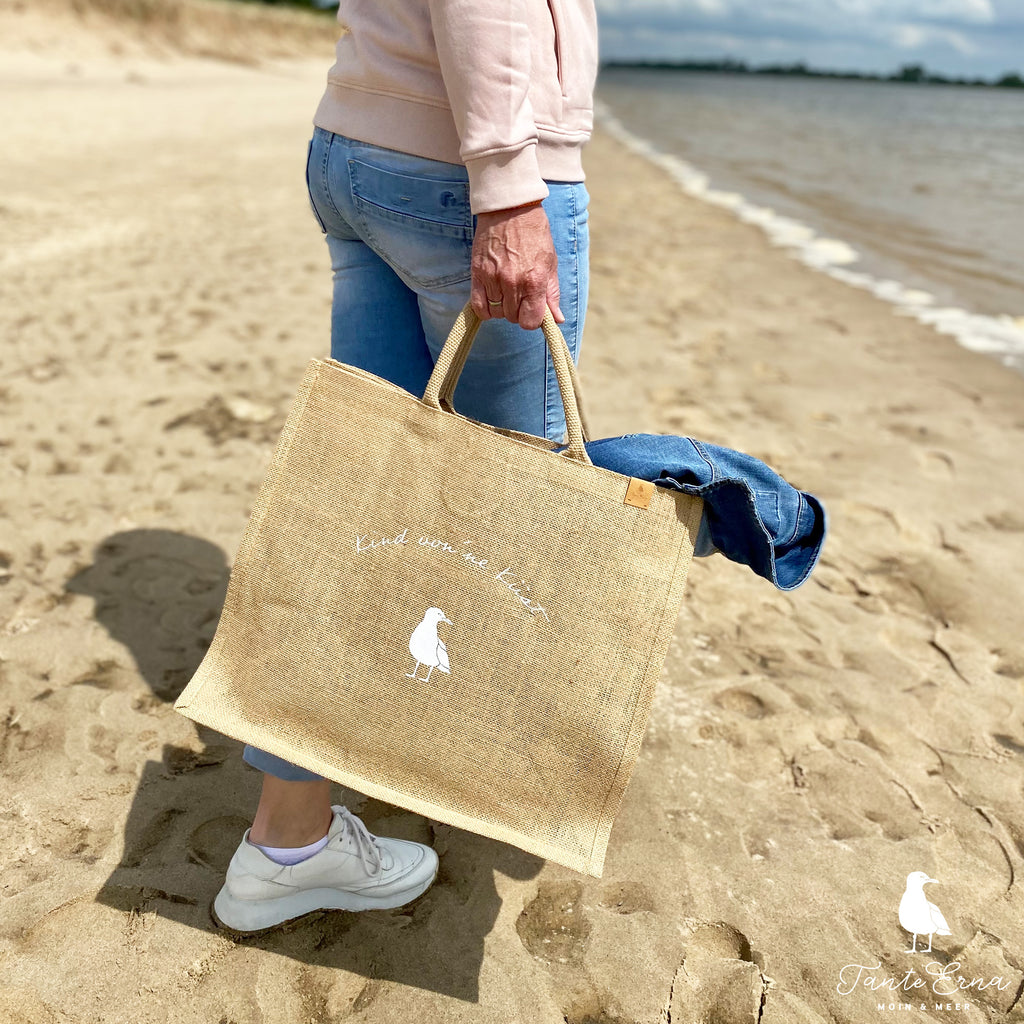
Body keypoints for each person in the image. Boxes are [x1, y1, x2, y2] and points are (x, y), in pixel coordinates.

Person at [211, 0, 599, 934]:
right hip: (460, 176)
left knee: (360, 502)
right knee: (518, 505)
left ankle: (288, 841)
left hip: (359, 147)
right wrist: (507, 187)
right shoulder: (492, 179)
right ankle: (484, 771)